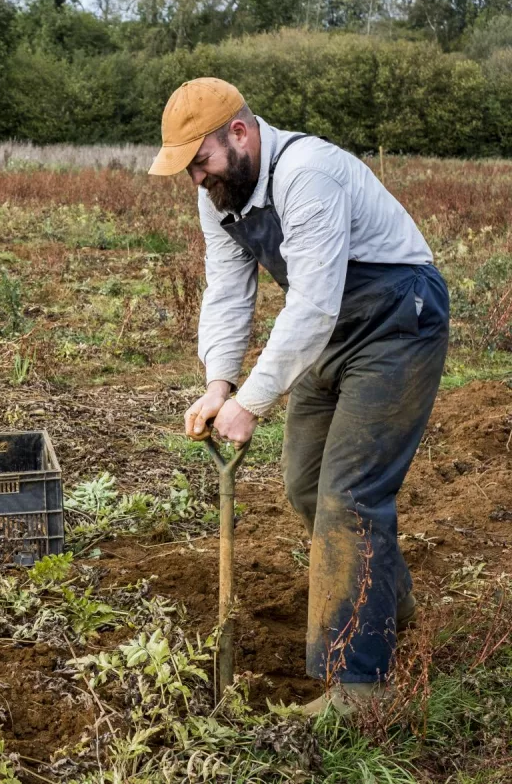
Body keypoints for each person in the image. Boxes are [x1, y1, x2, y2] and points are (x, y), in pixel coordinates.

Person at [149, 79, 448, 715]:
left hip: (398, 317)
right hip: (333, 327)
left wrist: (251, 404)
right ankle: (389, 606)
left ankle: (360, 687)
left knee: (351, 492)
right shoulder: (220, 195)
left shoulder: (308, 173)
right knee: (306, 483)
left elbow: (310, 300)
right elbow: (229, 292)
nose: (196, 179)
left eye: (200, 161)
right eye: (187, 169)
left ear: (239, 133)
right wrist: (218, 384)